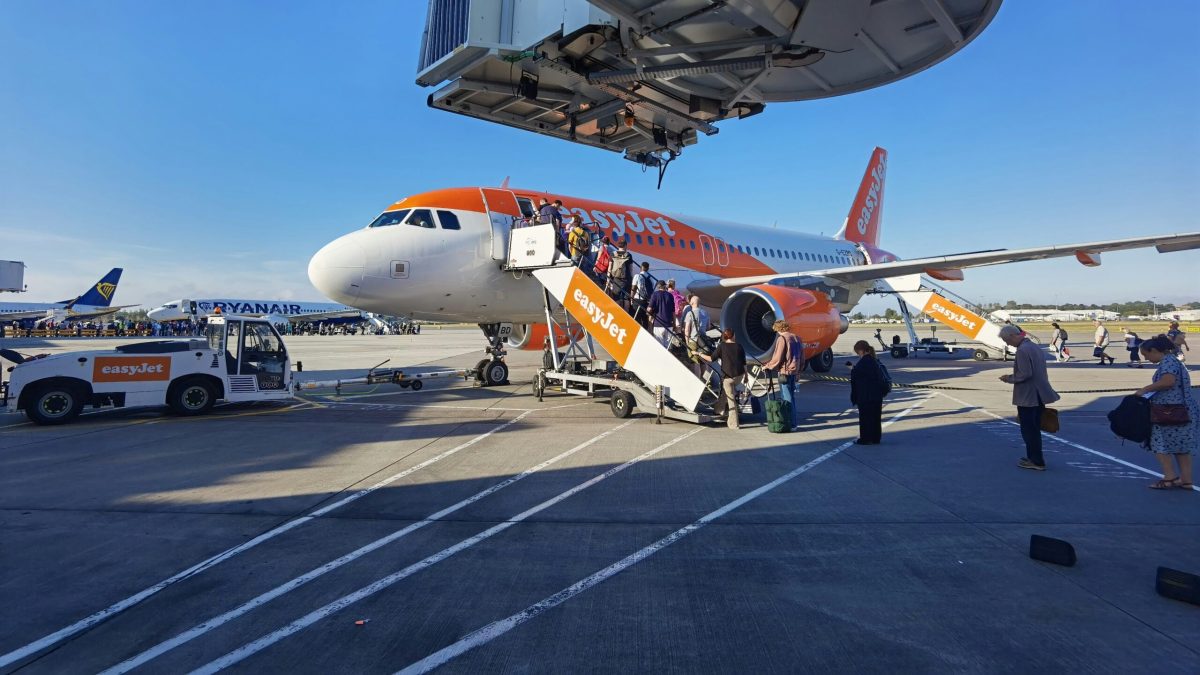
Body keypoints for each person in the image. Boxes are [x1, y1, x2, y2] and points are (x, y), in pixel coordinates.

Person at [1134, 335, 1197, 490]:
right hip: (1183, 410)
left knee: (1159, 443)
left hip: (1169, 411)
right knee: (1181, 447)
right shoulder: (1174, 361)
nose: (1147, 358)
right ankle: (1186, 480)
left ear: (1154, 350)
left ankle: (1169, 477)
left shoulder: (1168, 362)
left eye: (1146, 355)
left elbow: (1168, 381)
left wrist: (1145, 389)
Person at [998, 324, 1061, 471]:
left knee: (1029, 429)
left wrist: (1008, 378)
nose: (1007, 344)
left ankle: (1036, 460)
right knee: (1033, 428)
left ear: (1014, 336)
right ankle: (1034, 457)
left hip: (1029, 396)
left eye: (1007, 340)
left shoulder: (1023, 350)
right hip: (1038, 394)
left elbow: (1025, 374)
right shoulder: (1033, 347)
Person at [699, 329, 747, 429]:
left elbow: (711, 359)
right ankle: (719, 409)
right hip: (739, 376)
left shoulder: (722, 346)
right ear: (733, 336)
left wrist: (699, 354)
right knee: (726, 392)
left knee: (731, 399)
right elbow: (744, 363)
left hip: (728, 377)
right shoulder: (739, 346)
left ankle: (734, 424)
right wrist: (746, 376)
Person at [762, 320, 803, 431]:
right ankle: (792, 422)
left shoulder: (782, 339)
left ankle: (791, 423)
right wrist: (799, 371)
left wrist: (768, 366)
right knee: (792, 398)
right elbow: (802, 357)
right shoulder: (797, 338)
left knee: (787, 398)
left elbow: (778, 357)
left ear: (778, 329)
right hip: (794, 372)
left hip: (785, 372)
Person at [849, 340, 885, 445]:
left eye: (857, 352)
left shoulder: (864, 362)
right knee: (876, 418)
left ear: (861, 351)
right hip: (877, 395)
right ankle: (876, 438)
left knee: (865, 418)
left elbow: (858, 376)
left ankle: (865, 438)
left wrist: (852, 369)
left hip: (866, 395)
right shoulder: (874, 360)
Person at [683, 294, 711, 378]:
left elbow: (687, 329)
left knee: (695, 361)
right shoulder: (705, 312)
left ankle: (698, 380)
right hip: (703, 340)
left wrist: (687, 341)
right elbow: (708, 327)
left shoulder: (690, 313)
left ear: (691, 303)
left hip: (693, 340)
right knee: (703, 361)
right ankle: (706, 380)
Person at [647, 280, 675, 347]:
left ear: (658, 286)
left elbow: (649, 309)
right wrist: (674, 324)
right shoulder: (670, 295)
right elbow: (673, 312)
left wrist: (647, 313)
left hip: (658, 323)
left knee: (659, 346)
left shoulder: (655, 294)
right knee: (668, 347)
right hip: (669, 324)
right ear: (665, 286)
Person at [630, 261, 653, 327]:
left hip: (638, 300)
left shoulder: (637, 276)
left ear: (641, 267)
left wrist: (631, 298)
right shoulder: (651, 279)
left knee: (636, 317)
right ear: (648, 268)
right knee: (644, 319)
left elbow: (633, 288)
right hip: (646, 301)